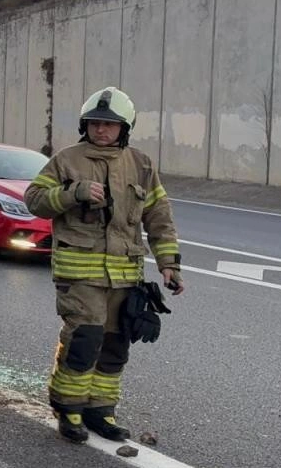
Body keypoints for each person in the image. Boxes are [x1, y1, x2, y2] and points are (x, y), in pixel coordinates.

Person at [24, 87, 184, 443]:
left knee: (115, 343)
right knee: (85, 338)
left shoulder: (141, 165)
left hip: (125, 275)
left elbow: (159, 215)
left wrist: (169, 263)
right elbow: (34, 200)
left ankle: (101, 410)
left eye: (110, 125)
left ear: (124, 128)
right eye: (95, 123)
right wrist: (72, 193)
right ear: (85, 125)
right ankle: (69, 409)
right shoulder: (67, 160)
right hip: (80, 274)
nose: (101, 130)